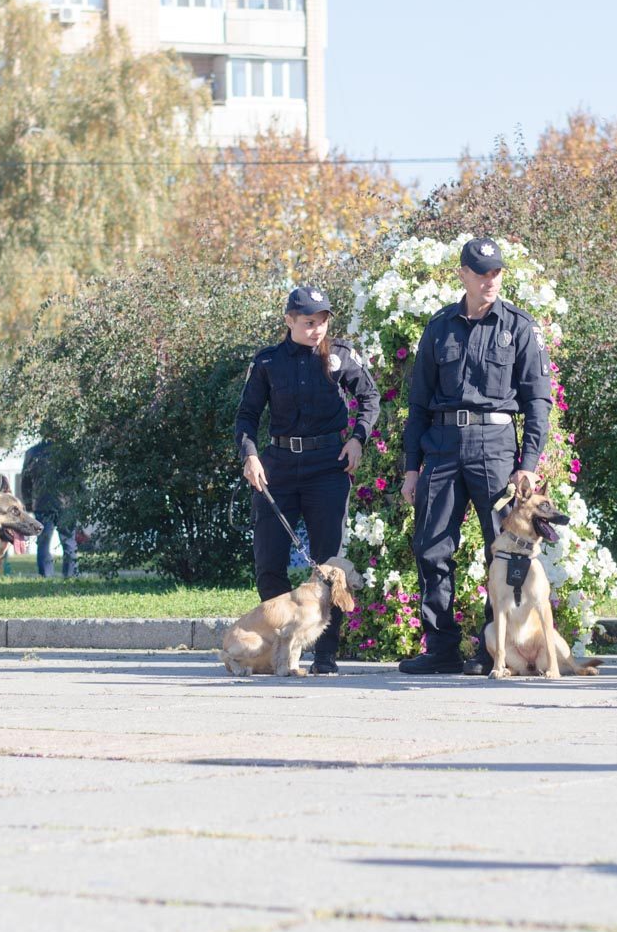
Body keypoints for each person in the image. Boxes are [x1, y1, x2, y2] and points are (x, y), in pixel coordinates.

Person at [398, 239, 551, 676]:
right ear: (463, 274)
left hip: (496, 445)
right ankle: (441, 648)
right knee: (431, 547)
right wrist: (411, 468)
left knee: (502, 549)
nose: (489, 280)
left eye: (495, 272)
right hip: (443, 444)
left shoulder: (519, 326)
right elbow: (418, 403)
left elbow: (538, 401)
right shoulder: (439, 327)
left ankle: (493, 650)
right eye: (481, 272)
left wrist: (528, 463)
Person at [235, 286, 379, 674]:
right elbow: (247, 416)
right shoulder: (268, 361)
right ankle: (279, 652)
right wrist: (250, 455)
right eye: (309, 322)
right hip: (278, 467)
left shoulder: (340, 355)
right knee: (269, 562)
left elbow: (370, 398)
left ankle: (325, 654)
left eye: (323, 322)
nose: (318, 330)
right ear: (289, 321)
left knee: (329, 566)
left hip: (327, 466)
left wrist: (358, 438)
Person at [20, 437, 78, 579]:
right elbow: (78, 478)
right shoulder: (69, 451)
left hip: (42, 503)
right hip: (67, 504)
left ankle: (46, 575)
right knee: (69, 542)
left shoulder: (32, 452)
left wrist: (28, 503)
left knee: (43, 542)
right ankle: (70, 576)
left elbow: (25, 481)